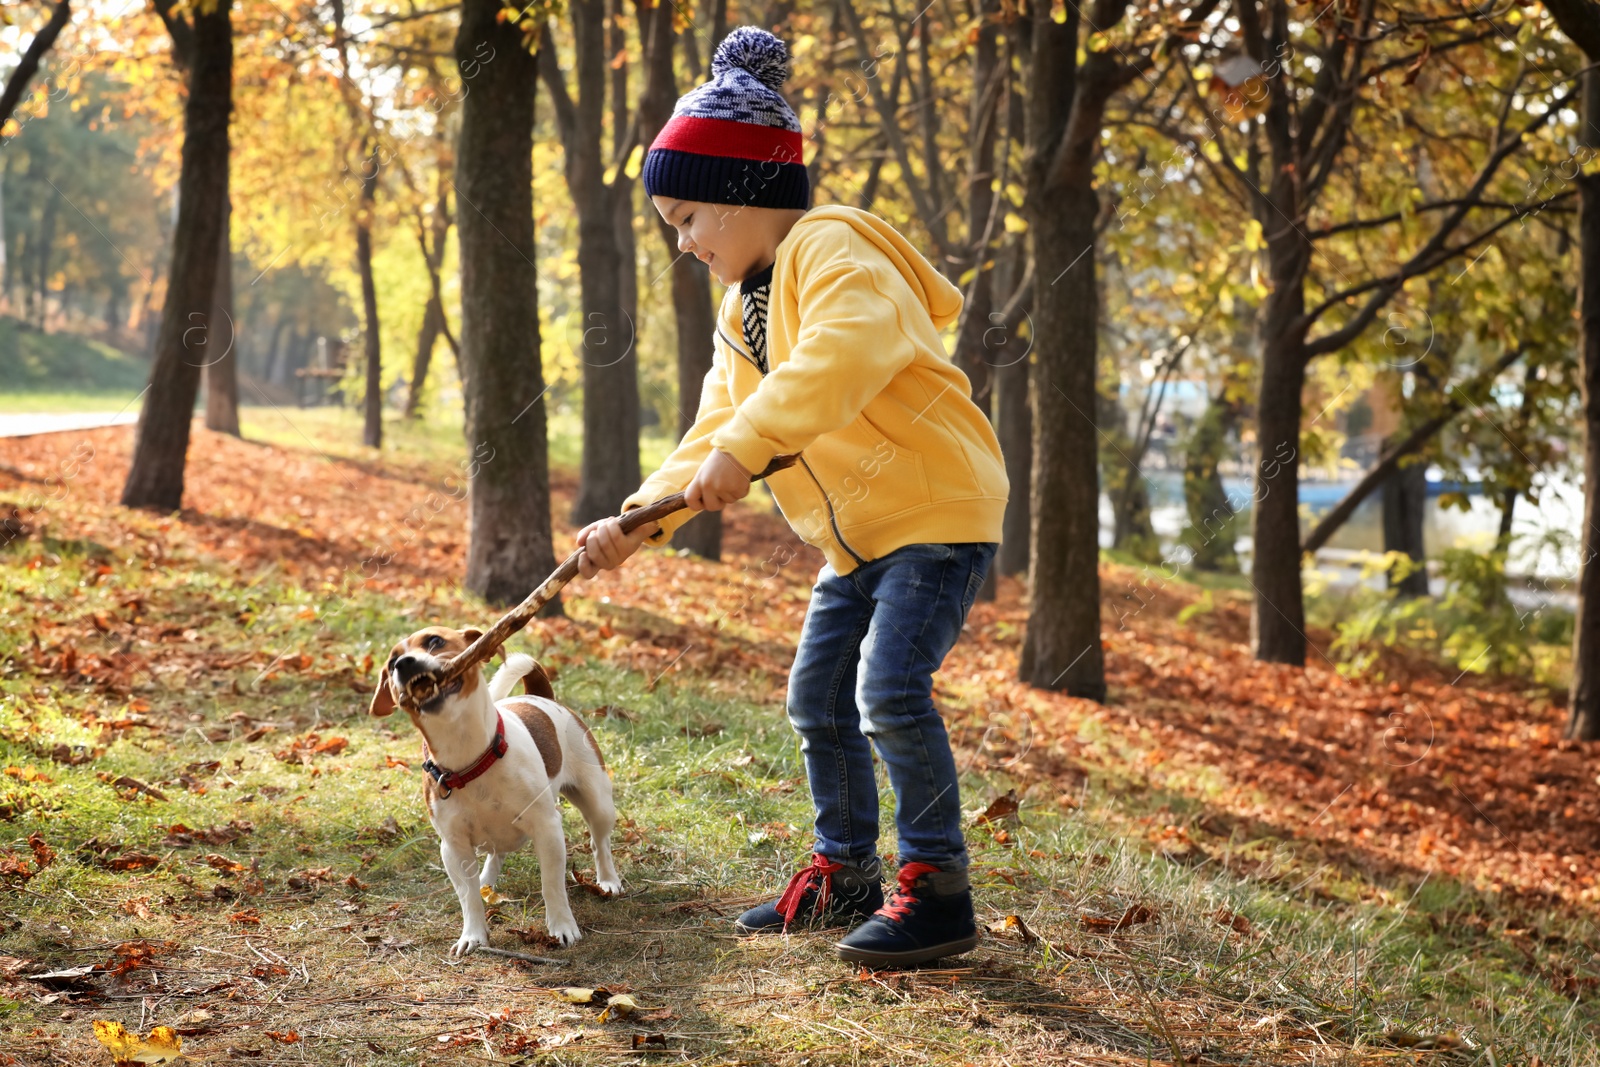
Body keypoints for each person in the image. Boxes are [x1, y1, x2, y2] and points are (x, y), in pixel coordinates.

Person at [573, 26, 1009, 969]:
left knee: (888, 690)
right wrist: (637, 519)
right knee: (818, 699)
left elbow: (840, 355)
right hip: (853, 545)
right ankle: (844, 871)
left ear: (743, 192)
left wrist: (749, 444)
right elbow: (712, 432)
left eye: (688, 217)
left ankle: (937, 888)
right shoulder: (743, 309)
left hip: (935, 515)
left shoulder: (836, 248)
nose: (684, 241)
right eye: (673, 225)